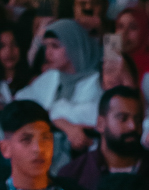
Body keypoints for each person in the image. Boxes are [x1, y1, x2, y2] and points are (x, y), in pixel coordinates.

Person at [17, 20, 102, 161]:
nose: (48, 53)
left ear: (74, 47)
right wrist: (61, 122)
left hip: (85, 160)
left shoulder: (96, 81)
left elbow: (84, 116)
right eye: (46, 46)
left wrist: (51, 115)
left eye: (55, 46)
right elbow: (21, 102)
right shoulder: (52, 76)